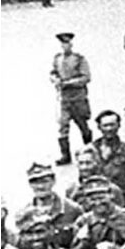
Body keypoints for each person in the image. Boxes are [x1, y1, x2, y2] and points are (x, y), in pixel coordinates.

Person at [51, 31, 93, 165]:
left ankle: (89, 151)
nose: (65, 46)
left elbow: (86, 77)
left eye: (67, 43)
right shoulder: (57, 59)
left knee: (83, 125)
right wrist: (55, 79)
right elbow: (53, 73)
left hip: (78, 98)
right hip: (64, 99)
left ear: (71, 44)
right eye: (63, 44)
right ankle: (65, 155)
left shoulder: (79, 59)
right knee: (62, 126)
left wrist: (68, 83)